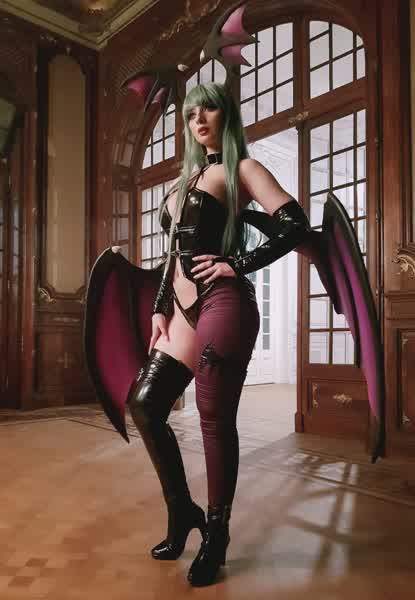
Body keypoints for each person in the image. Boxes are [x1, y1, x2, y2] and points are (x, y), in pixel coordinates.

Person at [125, 80, 311, 587]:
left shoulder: (242, 168)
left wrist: (237, 263)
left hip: (225, 302)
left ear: (226, 115)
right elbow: (171, 255)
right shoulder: (185, 180)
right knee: (145, 404)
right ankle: (183, 511)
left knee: (213, 418)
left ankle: (217, 535)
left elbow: (295, 224)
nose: (199, 119)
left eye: (208, 109)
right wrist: (160, 309)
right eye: (191, 114)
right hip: (180, 311)